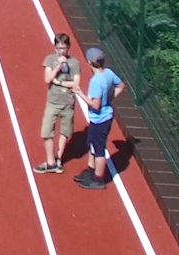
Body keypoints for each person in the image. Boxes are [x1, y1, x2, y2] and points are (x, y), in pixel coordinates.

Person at [77, 47, 127, 189]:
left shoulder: (96, 81)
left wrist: (80, 94)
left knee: (98, 149)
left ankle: (98, 179)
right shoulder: (108, 73)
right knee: (92, 144)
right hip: (106, 117)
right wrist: (110, 99)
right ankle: (90, 171)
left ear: (89, 62)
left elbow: (96, 105)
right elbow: (121, 85)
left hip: (99, 120)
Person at [34, 33, 81, 174]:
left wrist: (60, 82)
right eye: (59, 48)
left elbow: (77, 83)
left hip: (68, 103)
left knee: (65, 132)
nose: (62, 51)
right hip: (53, 103)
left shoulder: (75, 63)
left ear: (69, 47)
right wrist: (58, 67)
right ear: (55, 47)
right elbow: (47, 79)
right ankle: (50, 161)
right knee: (46, 132)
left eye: (64, 48)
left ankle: (59, 159)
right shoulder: (50, 60)